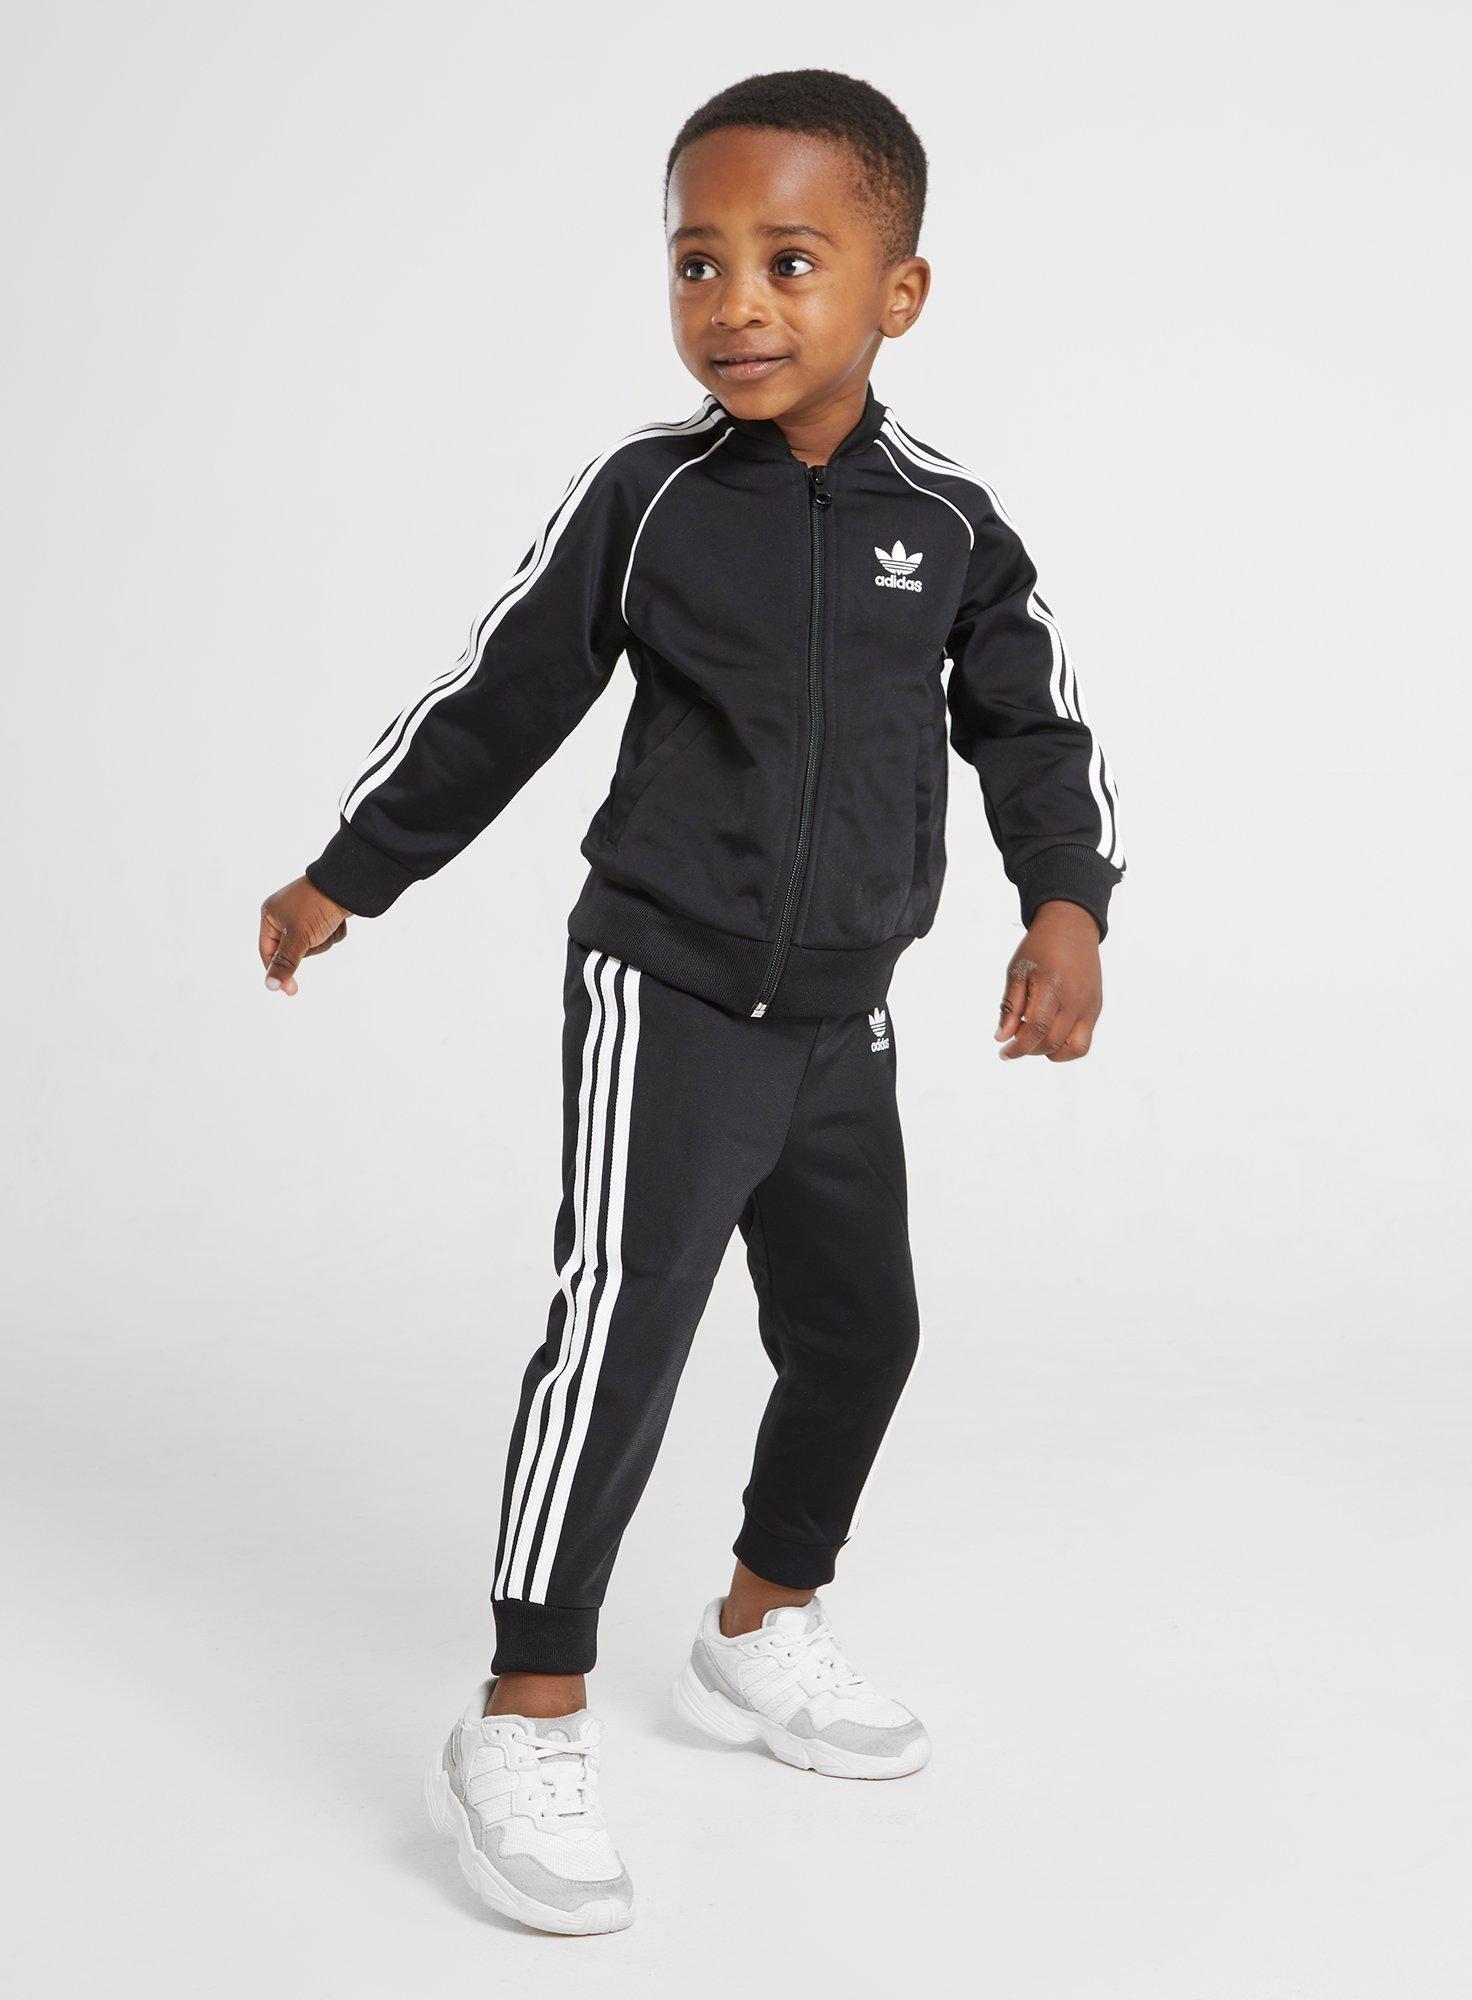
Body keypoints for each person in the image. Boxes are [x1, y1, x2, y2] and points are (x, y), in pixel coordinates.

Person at [257, 67, 1124, 1937]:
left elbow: (1035, 727)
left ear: (897, 291)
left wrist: (1066, 906)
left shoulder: (950, 526)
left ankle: (757, 1627)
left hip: (844, 1012)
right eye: (696, 262)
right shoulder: (648, 499)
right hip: (668, 988)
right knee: (620, 1334)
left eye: (789, 262)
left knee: (863, 1329)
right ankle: (524, 1710)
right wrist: (351, 872)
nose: (734, 302)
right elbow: (498, 699)